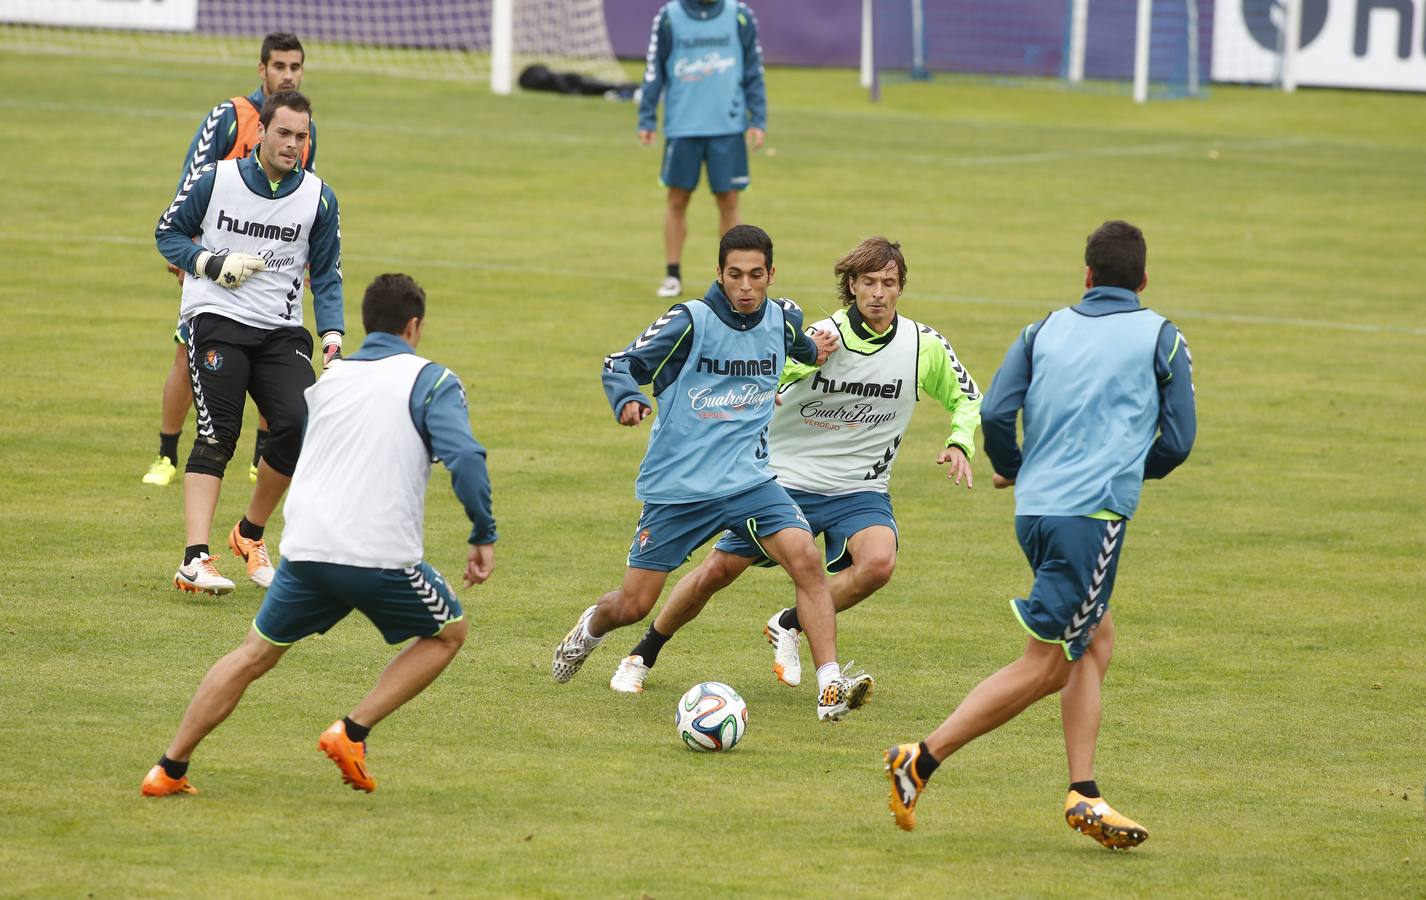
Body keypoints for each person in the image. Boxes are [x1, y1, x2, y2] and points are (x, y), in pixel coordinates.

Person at [882, 220, 1196, 850]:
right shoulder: (1161, 336)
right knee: (1049, 663)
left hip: (1035, 513)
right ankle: (920, 759)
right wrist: (1124, 468)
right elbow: (1178, 441)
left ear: (1086, 275)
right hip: (1091, 519)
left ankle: (1084, 791)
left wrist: (1017, 466)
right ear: (1142, 280)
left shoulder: (1042, 328)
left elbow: (998, 413)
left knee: (1093, 638)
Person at [141, 273, 497, 797]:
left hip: (305, 548)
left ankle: (168, 768)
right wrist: (482, 533)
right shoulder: (433, 380)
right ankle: (352, 732)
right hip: (376, 553)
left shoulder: (327, 381)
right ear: (414, 326)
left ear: (365, 323)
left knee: (252, 655)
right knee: (448, 633)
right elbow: (465, 457)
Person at [608, 237, 983, 694]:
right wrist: (775, 386)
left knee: (879, 564)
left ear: (901, 287)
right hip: (783, 483)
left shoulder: (922, 345)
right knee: (716, 573)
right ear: (851, 285)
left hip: (858, 490)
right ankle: (643, 653)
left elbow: (966, 396)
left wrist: (960, 441)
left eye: (889, 282)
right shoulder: (817, 337)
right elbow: (749, 373)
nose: (879, 293)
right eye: (869, 282)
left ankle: (790, 623)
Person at [551, 224, 875, 722]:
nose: (746, 287)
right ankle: (593, 626)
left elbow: (799, 348)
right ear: (719, 274)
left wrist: (816, 349)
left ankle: (830, 684)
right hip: (679, 490)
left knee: (806, 562)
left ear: (771, 274)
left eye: (756, 275)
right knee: (634, 604)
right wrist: (630, 400)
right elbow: (619, 364)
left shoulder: (783, 318)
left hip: (751, 482)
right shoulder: (689, 321)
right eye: (735, 275)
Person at [155, 90, 343, 595]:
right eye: (284, 133)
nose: (293, 144)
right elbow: (168, 232)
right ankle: (194, 558)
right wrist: (212, 263)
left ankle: (250, 534)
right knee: (219, 433)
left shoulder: (319, 197)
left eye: (302, 136)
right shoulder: (218, 178)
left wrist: (332, 338)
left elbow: (325, 275)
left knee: (299, 424)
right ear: (260, 132)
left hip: (280, 330)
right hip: (215, 317)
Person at [144, 32, 318, 488]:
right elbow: (194, 177)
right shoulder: (229, 116)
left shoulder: (302, 128)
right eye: (279, 66)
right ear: (262, 70)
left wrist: (307, 260)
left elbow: (301, 193)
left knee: (272, 353)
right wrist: (193, 256)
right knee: (188, 353)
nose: (287, 75)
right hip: (212, 263)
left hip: (270, 266)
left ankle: (261, 459)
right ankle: (166, 454)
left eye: (295, 67)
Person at [638, 0, 767, 299]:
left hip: (728, 127)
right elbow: (653, 69)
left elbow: (753, 71)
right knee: (677, 199)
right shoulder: (669, 17)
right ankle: (672, 275)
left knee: (729, 201)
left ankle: (731, 278)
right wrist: (647, 117)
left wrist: (757, 118)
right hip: (683, 127)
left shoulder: (740, 16)